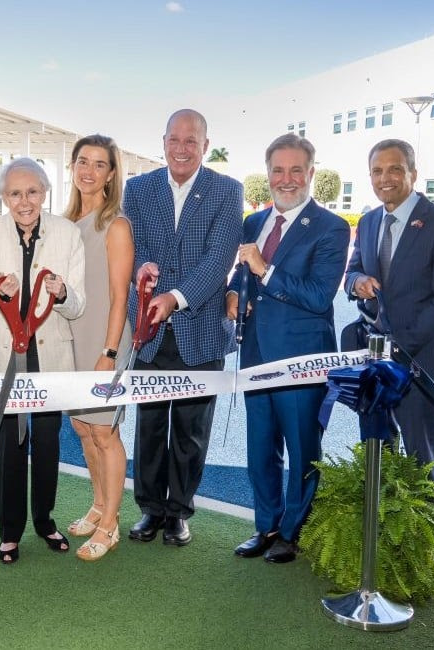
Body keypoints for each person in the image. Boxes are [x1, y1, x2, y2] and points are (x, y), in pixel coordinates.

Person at [226, 134, 350, 563]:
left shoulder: (332, 227)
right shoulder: (253, 222)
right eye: (278, 170)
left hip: (301, 359)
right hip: (256, 353)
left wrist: (265, 268)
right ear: (268, 174)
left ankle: (294, 533)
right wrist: (233, 291)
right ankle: (267, 525)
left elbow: (318, 297)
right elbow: (244, 275)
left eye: (296, 170)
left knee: (301, 448)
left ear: (311, 173)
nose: (287, 178)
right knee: (260, 445)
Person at [0, 157, 85, 565]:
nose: (24, 201)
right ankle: (9, 532)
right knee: (11, 446)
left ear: (45, 193)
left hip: (50, 357)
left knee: (47, 444)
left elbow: (77, 306)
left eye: (32, 192)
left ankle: (45, 521)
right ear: (3, 197)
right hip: (3, 355)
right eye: (14, 193)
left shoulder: (67, 234)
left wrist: (62, 293)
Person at [124, 109, 242, 547]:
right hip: (148, 333)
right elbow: (128, 246)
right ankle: (150, 509)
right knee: (150, 425)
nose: (181, 148)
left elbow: (219, 260)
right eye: (174, 139)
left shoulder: (227, 191)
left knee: (191, 430)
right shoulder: (137, 189)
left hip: (202, 330)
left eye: (191, 141)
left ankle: (179, 511)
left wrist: (175, 297)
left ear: (205, 146)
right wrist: (142, 269)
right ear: (163, 141)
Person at [344, 139, 434, 483]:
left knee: (419, 461)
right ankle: (377, 530)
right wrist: (357, 282)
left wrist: (398, 347)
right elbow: (351, 271)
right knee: (376, 453)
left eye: (395, 168)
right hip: (371, 362)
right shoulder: (368, 222)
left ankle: (421, 534)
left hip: (419, 364)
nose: (386, 178)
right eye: (377, 171)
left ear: (413, 172)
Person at [62, 135, 133, 561]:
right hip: (69, 338)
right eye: (82, 161)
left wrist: (109, 352)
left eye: (99, 164)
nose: (89, 170)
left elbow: (120, 296)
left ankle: (111, 524)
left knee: (105, 430)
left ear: (111, 174)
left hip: (104, 340)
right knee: (82, 428)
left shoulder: (116, 225)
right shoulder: (64, 223)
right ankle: (99, 504)